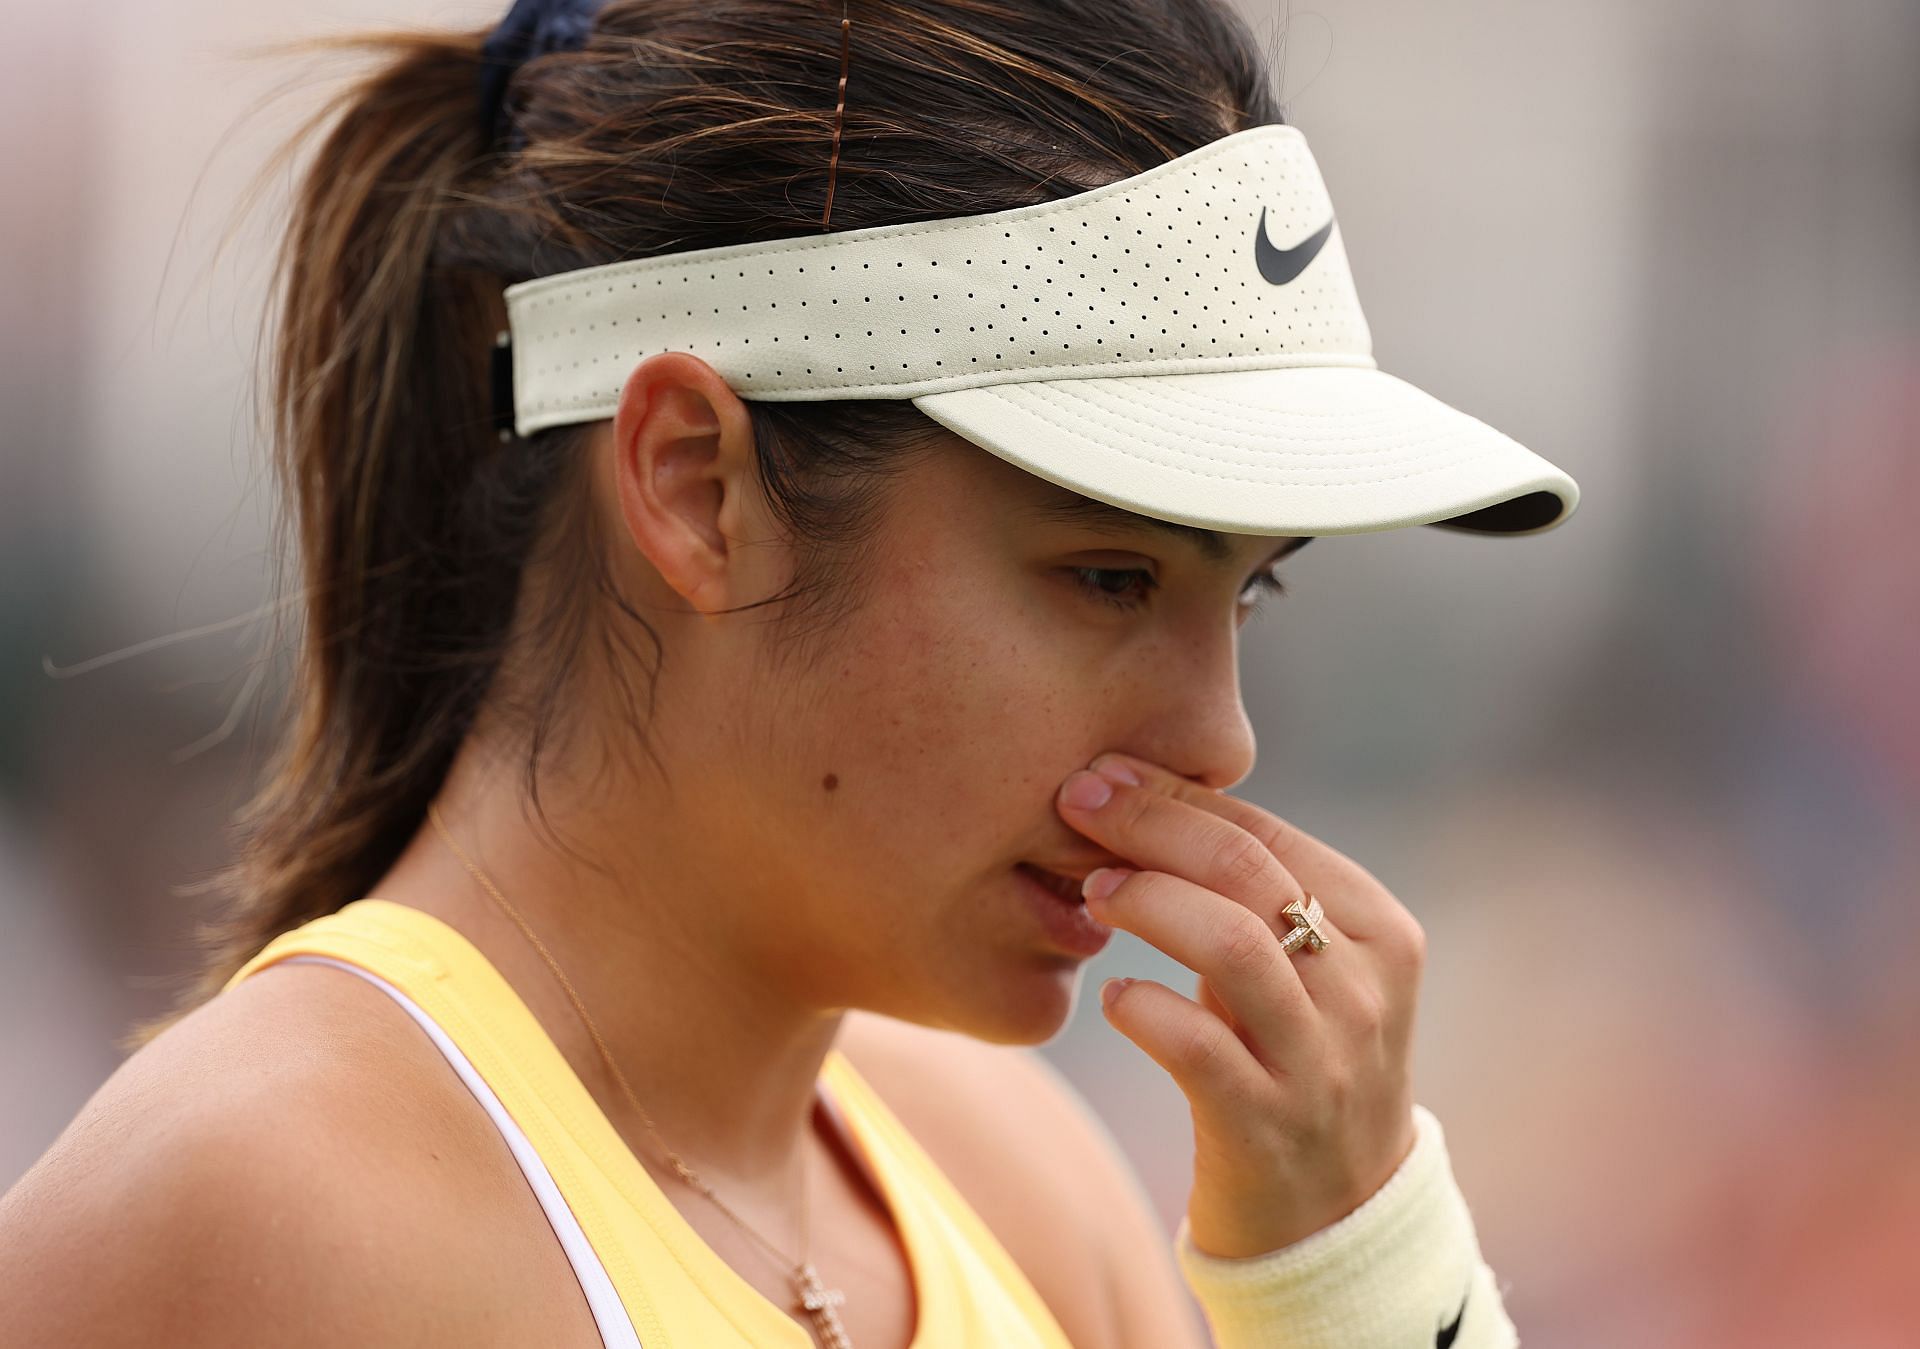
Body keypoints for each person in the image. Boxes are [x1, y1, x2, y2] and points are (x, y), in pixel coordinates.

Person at [0, 1, 1577, 1344]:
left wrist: (1361, 1269)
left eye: (1249, 594)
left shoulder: (1011, 1178)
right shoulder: (278, 1218)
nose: (1218, 739)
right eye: (1110, 574)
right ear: (696, 485)